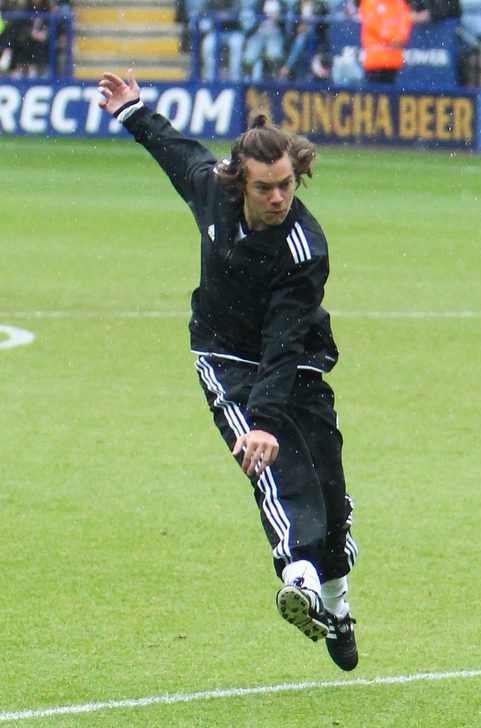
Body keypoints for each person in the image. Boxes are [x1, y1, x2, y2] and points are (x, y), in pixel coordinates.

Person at [96, 69, 360, 672]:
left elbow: (286, 336)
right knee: (275, 467)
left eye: (287, 185)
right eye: (266, 187)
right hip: (224, 357)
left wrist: (276, 408)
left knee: (331, 492)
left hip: (292, 361)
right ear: (242, 181)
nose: (278, 199)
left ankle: (337, 605)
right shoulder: (213, 190)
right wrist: (134, 111)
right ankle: (298, 577)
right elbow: (175, 154)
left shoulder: (305, 247)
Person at [359, 0, 412, 84]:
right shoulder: (370, 2)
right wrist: (392, 37)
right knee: (374, 92)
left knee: (391, 93)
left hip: (393, 60)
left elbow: (405, 21)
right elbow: (372, 23)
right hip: (374, 60)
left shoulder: (399, 3)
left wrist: (400, 38)